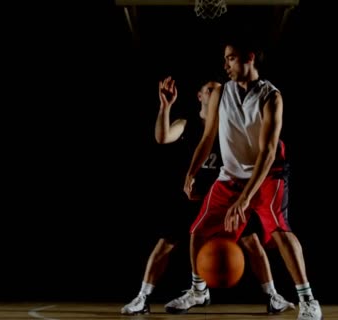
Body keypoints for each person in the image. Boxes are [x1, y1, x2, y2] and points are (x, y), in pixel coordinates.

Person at [166, 36, 323, 320]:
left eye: (231, 57)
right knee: (198, 231)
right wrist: (192, 171)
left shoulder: (271, 96)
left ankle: (308, 299)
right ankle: (198, 290)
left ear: (249, 57)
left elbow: (267, 152)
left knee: (278, 230)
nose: (225, 64)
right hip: (230, 176)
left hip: (268, 175)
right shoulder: (219, 92)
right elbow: (208, 136)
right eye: (225, 58)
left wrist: (245, 198)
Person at [121, 76, 295, 315]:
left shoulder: (230, 124)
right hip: (192, 199)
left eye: (219, 90)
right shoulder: (188, 123)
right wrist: (165, 107)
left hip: (224, 198)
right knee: (164, 246)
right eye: (210, 90)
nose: (218, 92)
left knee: (253, 243)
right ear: (201, 96)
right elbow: (162, 137)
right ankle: (143, 297)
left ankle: (273, 296)